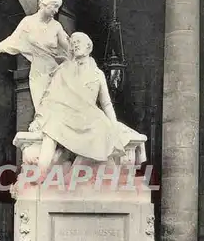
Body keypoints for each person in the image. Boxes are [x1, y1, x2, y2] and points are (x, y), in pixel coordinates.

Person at [31, 32, 146, 176]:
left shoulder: (98, 74)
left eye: (79, 41)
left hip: (91, 117)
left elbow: (106, 103)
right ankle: (40, 174)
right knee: (51, 128)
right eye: (73, 43)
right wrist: (38, 119)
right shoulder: (63, 71)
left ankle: (80, 173)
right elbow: (49, 96)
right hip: (68, 115)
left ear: (89, 47)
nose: (75, 44)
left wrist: (114, 123)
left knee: (102, 130)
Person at [0, 0, 70, 111]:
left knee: (55, 108)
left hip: (55, 71)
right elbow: (11, 41)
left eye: (58, 8)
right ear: (45, 3)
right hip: (38, 72)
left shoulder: (56, 26)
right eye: (54, 7)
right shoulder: (28, 22)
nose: (56, 11)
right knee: (41, 108)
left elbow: (69, 48)